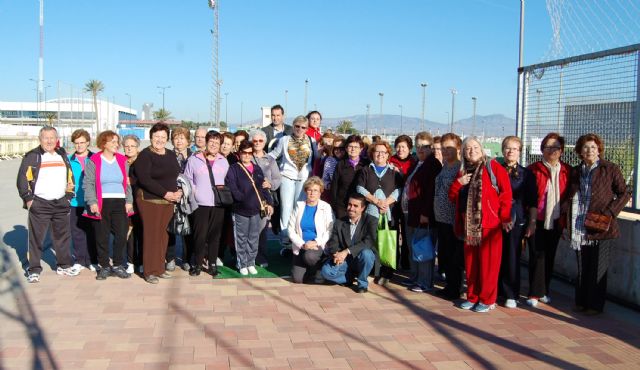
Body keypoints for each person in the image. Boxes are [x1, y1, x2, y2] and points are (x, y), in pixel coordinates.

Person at [563, 133, 630, 315]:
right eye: (586, 147)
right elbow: (571, 195)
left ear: (599, 149)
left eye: (593, 147)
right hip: (580, 224)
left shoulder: (610, 168)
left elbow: (624, 193)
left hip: (602, 225)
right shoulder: (576, 171)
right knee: (583, 265)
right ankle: (581, 301)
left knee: (598, 267)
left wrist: (609, 213)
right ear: (580, 151)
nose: (590, 150)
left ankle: (594, 305)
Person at [449, 137, 512, 313]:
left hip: (489, 226)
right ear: (463, 152)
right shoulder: (462, 172)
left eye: (475, 147)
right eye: (468, 149)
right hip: (469, 227)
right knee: (471, 264)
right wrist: (457, 184)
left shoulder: (493, 167)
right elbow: (453, 197)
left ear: (482, 148)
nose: (472, 151)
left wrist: (505, 217)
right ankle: (473, 296)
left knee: (489, 265)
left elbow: (506, 194)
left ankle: (487, 299)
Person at [17, 126, 80, 283]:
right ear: (40, 139)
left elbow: (70, 176)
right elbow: (22, 180)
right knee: (36, 239)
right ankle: (34, 270)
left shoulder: (62, 155)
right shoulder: (33, 156)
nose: (49, 141)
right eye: (46, 137)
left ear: (56, 138)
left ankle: (63, 265)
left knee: (62, 237)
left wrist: (68, 196)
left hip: (61, 203)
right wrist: (29, 200)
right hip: (40, 203)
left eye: (52, 137)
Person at [526, 133, 571, 307]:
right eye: (548, 147)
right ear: (542, 149)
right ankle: (534, 293)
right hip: (535, 220)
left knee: (550, 256)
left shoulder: (567, 171)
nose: (552, 150)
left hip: (556, 220)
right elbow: (529, 196)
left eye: (556, 147)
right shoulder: (533, 169)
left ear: (561, 151)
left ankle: (544, 290)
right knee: (537, 255)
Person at [134, 123, 182, 284]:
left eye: (163, 137)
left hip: (168, 201)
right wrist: (166, 193)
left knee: (163, 235)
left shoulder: (169, 154)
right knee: (151, 235)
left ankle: (160, 268)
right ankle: (150, 271)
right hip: (149, 200)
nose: (160, 140)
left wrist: (178, 192)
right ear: (151, 137)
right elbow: (145, 179)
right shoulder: (145, 155)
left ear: (167, 138)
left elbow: (175, 174)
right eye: (156, 137)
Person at [83, 131, 133, 280]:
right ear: (103, 143)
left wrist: (129, 201)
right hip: (102, 202)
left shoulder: (122, 160)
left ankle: (118, 264)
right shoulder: (94, 160)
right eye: (112, 142)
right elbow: (88, 183)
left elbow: (128, 183)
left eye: (117, 142)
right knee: (102, 236)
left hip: (120, 202)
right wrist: (92, 202)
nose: (116, 145)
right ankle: (104, 266)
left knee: (121, 234)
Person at [269, 115, 318, 253]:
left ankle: (297, 238)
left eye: (303, 127)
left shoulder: (311, 141)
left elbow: (318, 158)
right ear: (293, 126)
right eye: (297, 126)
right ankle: (285, 240)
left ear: (307, 129)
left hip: (303, 179)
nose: (300, 129)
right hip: (287, 177)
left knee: (299, 208)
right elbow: (274, 154)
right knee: (286, 209)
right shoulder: (284, 140)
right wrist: (260, 158)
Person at [356, 140, 403, 285]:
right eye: (377, 152)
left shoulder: (394, 172)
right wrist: (375, 201)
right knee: (373, 241)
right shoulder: (366, 170)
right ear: (372, 154)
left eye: (384, 152)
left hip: (389, 214)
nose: (380, 155)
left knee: (388, 242)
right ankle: (373, 270)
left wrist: (386, 202)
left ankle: (387, 272)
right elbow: (360, 188)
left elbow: (399, 190)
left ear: (388, 154)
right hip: (370, 214)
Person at [183, 130, 229, 277]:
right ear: (206, 143)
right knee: (200, 235)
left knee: (215, 236)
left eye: (217, 143)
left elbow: (228, 181)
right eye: (211, 142)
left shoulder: (224, 161)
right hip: (200, 204)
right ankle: (197, 263)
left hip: (218, 204)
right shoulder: (194, 159)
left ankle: (212, 264)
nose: (214, 145)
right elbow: (187, 179)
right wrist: (195, 193)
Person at [498, 136, 537, 308]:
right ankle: (495, 290)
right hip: (496, 218)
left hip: (516, 219)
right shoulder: (495, 170)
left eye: (514, 149)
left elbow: (532, 201)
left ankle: (511, 294)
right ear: (502, 150)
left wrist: (532, 223)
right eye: (507, 148)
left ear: (520, 152)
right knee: (496, 255)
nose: (510, 151)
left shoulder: (526, 174)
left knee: (512, 256)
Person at [226, 140, 274, 275]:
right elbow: (232, 188)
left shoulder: (257, 168)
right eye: (244, 153)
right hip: (240, 209)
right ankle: (242, 262)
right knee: (241, 237)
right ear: (239, 153)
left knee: (254, 237)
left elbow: (263, 188)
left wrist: (269, 202)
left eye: (249, 153)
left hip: (256, 210)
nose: (247, 155)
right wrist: (242, 199)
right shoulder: (233, 169)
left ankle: (251, 261)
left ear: (252, 154)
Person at [401, 142, 442, 292]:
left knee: (424, 248)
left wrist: (425, 213)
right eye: (418, 146)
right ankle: (416, 277)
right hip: (411, 213)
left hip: (423, 214)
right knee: (415, 247)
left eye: (424, 147)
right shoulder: (418, 163)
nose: (420, 149)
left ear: (431, 149)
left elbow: (430, 191)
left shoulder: (432, 164)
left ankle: (425, 281)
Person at [321, 194, 378, 293]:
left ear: (363, 208)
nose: (351, 208)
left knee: (367, 254)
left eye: (355, 206)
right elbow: (333, 242)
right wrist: (336, 254)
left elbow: (368, 242)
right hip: (345, 261)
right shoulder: (339, 222)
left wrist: (346, 251)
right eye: (349, 204)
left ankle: (362, 283)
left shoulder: (371, 220)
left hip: (361, 258)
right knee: (326, 272)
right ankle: (348, 278)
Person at [433, 133, 464, 300]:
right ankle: (449, 285)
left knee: (454, 256)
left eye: (449, 148)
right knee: (445, 254)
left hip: (453, 219)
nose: (445, 151)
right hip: (441, 218)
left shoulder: (460, 168)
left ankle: (455, 288)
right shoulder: (445, 166)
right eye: (443, 148)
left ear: (458, 148)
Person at [288, 177, 334, 284]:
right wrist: (303, 244)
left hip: (317, 246)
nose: (312, 193)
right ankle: (309, 271)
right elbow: (290, 229)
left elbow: (330, 230)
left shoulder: (326, 207)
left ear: (320, 192)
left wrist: (316, 242)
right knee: (297, 279)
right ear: (305, 191)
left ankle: (318, 268)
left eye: (315, 190)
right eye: (309, 190)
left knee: (310, 256)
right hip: (302, 246)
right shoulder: (299, 206)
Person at [250, 129, 282, 267]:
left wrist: (271, 184)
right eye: (255, 141)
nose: (257, 143)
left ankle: (261, 256)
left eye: (260, 141)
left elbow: (277, 178)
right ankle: (248, 257)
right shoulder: (246, 157)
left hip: (264, 200)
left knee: (262, 230)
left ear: (264, 142)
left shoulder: (270, 159)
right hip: (248, 198)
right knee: (249, 229)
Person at [68, 129, 96, 271]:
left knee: (92, 231)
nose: (79, 145)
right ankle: (79, 260)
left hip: (92, 201)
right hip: (75, 201)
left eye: (82, 142)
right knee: (77, 231)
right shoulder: (68, 160)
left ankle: (92, 260)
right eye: (76, 143)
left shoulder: (96, 158)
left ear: (88, 142)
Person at [166, 127, 193, 272]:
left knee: (187, 230)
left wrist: (185, 191)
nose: (179, 141)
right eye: (176, 138)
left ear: (188, 141)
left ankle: (187, 259)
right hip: (171, 197)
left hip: (188, 199)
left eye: (182, 138)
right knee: (170, 230)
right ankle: (170, 258)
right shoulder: (167, 155)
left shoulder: (193, 156)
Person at [389, 135, 417, 271]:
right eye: (398, 147)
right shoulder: (390, 160)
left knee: (407, 235)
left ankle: (406, 263)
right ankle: (393, 261)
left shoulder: (414, 162)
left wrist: (401, 173)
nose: (400, 150)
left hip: (408, 204)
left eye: (403, 147)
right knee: (393, 232)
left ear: (410, 148)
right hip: (393, 204)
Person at [330, 135, 369, 219]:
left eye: (356, 147)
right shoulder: (340, 164)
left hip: (360, 205)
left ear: (361, 149)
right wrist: (334, 205)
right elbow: (334, 186)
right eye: (350, 146)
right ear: (346, 148)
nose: (353, 149)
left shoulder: (366, 164)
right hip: (342, 205)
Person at [123, 134, 142, 273]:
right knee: (129, 233)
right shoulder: (120, 161)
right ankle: (130, 261)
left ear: (137, 147)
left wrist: (133, 180)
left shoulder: (143, 161)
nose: (129, 149)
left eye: (132, 146)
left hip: (141, 202)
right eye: (126, 146)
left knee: (141, 233)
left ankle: (141, 261)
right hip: (126, 203)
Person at [321, 135, 345, 202]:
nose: (338, 151)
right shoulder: (329, 160)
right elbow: (324, 180)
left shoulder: (349, 161)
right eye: (336, 148)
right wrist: (330, 186)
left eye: (341, 148)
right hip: (333, 195)